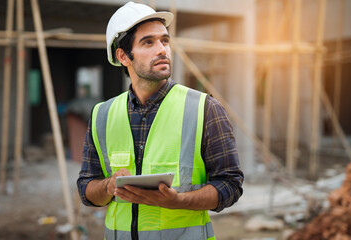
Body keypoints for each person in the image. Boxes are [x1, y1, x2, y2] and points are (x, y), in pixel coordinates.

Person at [77, 2, 243, 239]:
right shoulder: (102, 115)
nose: (162, 49)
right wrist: (109, 186)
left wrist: (179, 201)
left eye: (165, 40)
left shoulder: (205, 109)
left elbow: (231, 185)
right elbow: (86, 189)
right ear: (123, 56)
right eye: (148, 42)